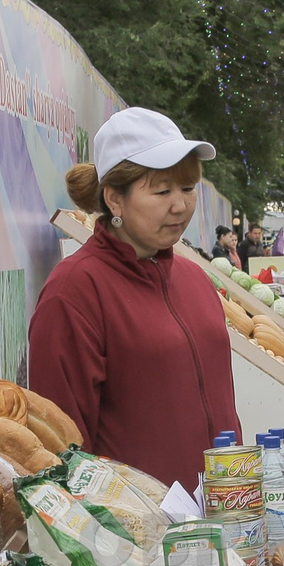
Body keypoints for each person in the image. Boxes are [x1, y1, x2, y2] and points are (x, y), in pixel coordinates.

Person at [28, 106, 241, 493]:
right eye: (162, 191)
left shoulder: (195, 279)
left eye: (188, 188)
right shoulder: (75, 289)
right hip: (139, 535)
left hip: (226, 513)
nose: (180, 205)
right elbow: (62, 446)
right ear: (115, 200)